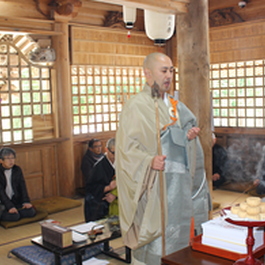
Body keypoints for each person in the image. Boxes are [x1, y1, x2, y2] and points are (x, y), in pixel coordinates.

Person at [115, 52, 210, 265]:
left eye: (171, 71)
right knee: (158, 240)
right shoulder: (136, 106)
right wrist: (148, 161)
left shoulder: (176, 105)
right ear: (147, 73)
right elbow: (126, 150)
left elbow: (182, 132)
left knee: (182, 234)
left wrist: (188, 137)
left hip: (178, 186)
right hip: (155, 185)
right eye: (163, 71)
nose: (169, 75)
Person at [84, 138, 118, 222]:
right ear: (107, 150)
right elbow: (90, 188)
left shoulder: (123, 163)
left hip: (118, 201)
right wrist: (109, 188)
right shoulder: (98, 167)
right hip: (99, 204)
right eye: (113, 153)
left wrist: (115, 194)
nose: (116, 156)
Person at [0, 147, 36, 221]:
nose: (11, 161)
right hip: (2, 202)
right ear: (1, 160)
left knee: (31, 212)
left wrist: (26, 201)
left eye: (12, 158)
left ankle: (16, 213)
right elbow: (1, 193)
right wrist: (9, 207)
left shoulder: (17, 170)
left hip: (14, 199)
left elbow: (22, 186)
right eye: (7, 158)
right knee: (14, 217)